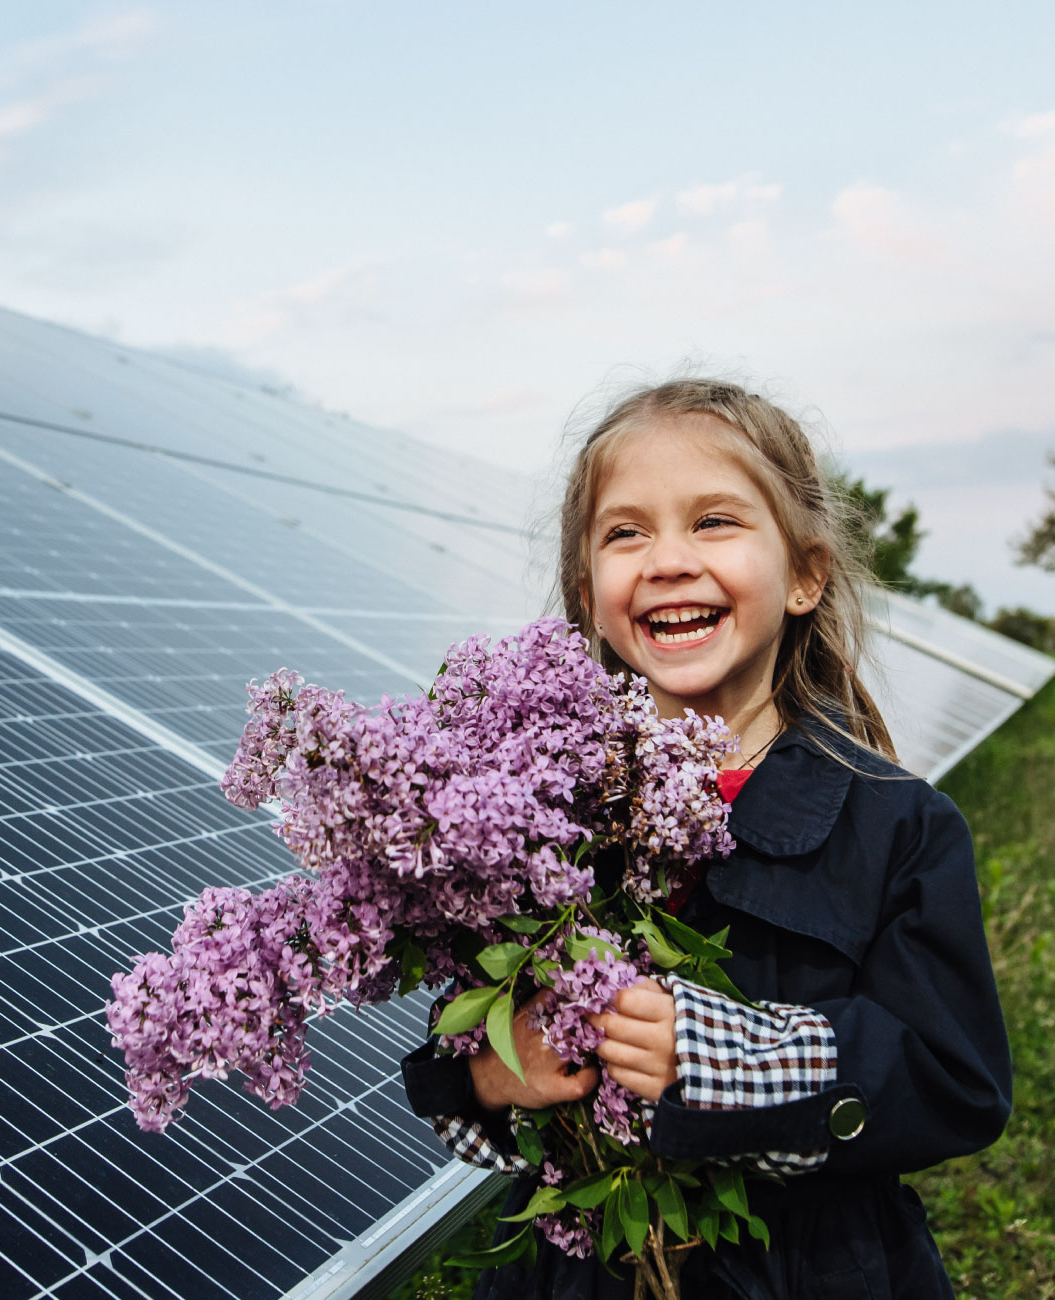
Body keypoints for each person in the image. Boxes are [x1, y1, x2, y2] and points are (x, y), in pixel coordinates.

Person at [399, 379, 1012, 1298]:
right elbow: (465, 1052)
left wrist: (716, 1053)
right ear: (586, 593)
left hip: (809, 1268)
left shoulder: (899, 825)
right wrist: (492, 1076)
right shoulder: (535, 810)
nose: (667, 561)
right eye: (626, 533)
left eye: (715, 521)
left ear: (805, 574)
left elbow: (953, 1080)